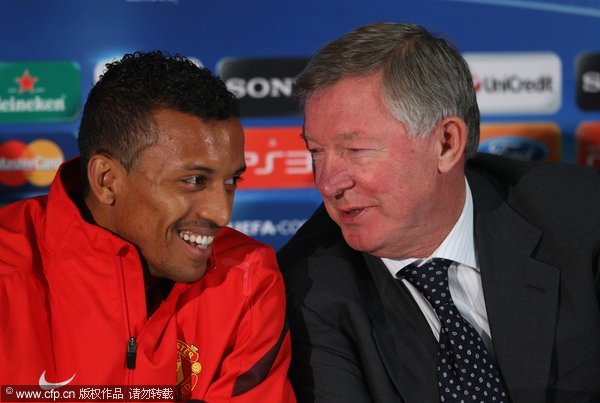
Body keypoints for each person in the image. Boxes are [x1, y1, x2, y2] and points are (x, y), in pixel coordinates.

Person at [277, 22, 600, 403]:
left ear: (446, 144)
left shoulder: (582, 214)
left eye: (356, 150)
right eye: (316, 151)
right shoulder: (307, 287)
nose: (329, 182)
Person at [0, 51, 295, 402]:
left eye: (231, 181)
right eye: (194, 180)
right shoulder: (9, 268)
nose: (221, 213)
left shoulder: (247, 277)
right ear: (107, 180)